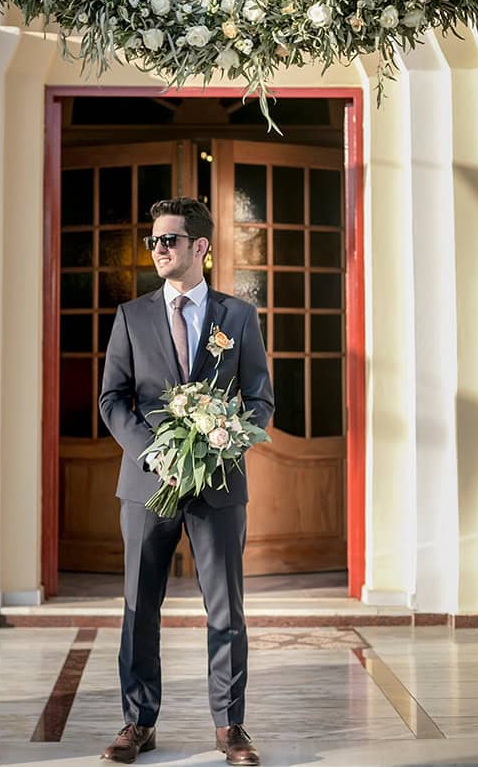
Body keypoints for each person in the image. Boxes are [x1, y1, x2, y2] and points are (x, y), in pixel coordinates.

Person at [99, 197, 274, 765]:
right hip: (147, 485)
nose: (158, 249)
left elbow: (260, 400)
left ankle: (231, 727)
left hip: (219, 485)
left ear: (199, 246)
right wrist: (155, 454)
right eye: (153, 241)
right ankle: (137, 722)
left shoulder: (238, 318)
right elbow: (112, 399)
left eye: (169, 240)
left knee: (226, 609)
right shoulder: (131, 316)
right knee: (138, 606)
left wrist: (221, 440)